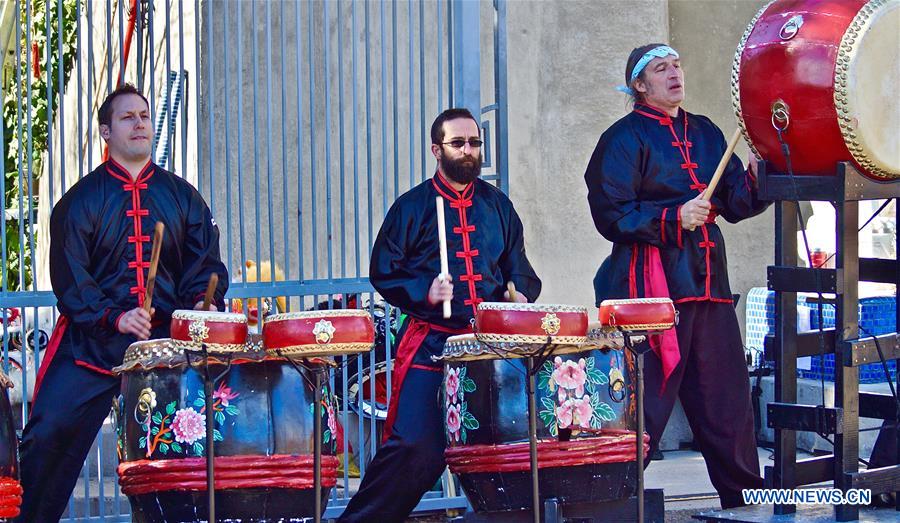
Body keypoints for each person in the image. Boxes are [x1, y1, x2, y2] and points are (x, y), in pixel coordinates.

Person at [16, 84, 228, 522]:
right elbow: (72, 279)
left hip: (165, 348)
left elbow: (204, 265)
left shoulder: (183, 197)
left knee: (190, 446)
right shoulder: (78, 203)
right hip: (92, 346)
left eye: (144, 116)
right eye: (128, 117)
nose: (140, 123)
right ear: (106, 132)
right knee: (48, 435)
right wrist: (114, 317)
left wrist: (201, 303)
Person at [584, 44, 769, 509]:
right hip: (652, 292)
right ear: (639, 85)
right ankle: (605, 506)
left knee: (728, 404)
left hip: (709, 285)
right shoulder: (622, 139)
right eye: (660, 68)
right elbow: (611, 213)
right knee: (643, 407)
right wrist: (673, 217)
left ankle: (747, 503)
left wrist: (758, 171)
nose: (674, 73)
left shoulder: (705, 132)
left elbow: (736, 202)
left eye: (677, 65)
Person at [339, 108, 541, 522]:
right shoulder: (411, 207)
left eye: (475, 143)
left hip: (488, 349)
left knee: (507, 442)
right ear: (437, 150)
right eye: (458, 143)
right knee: (414, 446)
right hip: (432, 342)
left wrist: (520, 293)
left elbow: (518, 267)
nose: (469, 151)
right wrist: (426, 291)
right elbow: (385, 271)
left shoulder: (498, 207)